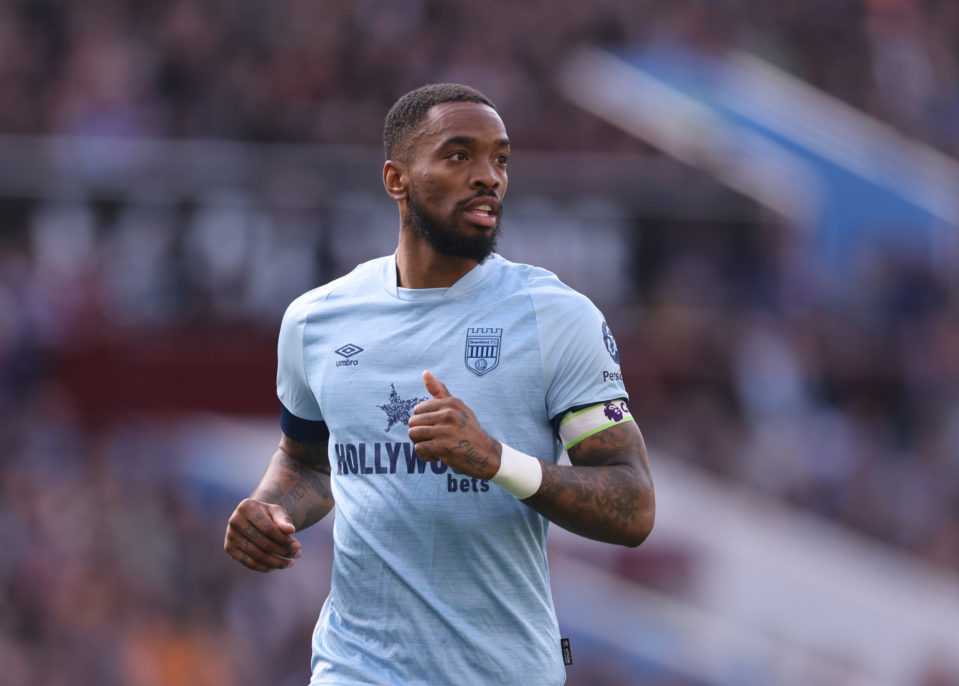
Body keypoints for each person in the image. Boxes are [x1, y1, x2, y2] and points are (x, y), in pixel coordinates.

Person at [224, 83, 655, 686]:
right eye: (459, 155)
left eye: (500, 159)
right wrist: (269, 511)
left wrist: (498, 460)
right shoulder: (315, 319)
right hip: (356, 670)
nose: (489, 177)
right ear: (396, 180)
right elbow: (310, 464)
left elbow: (633, 507)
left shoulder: (554, 316)